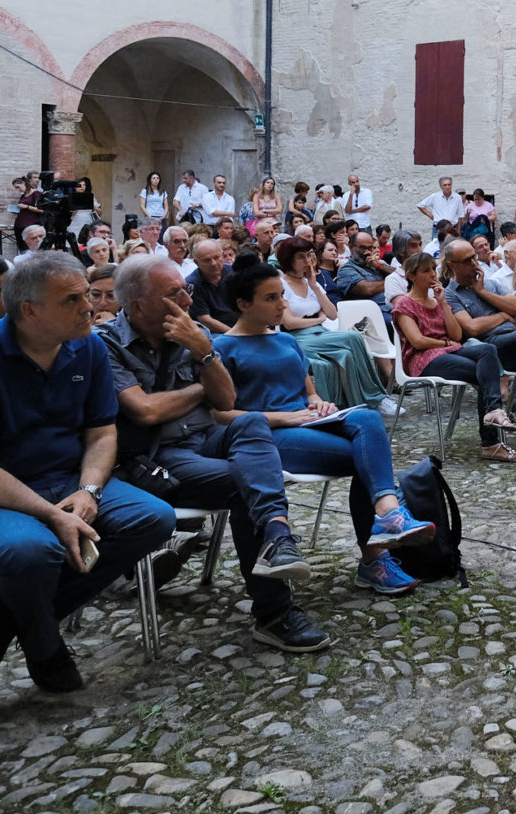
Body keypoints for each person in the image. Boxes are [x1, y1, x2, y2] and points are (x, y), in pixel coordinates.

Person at [0, 253, 175, 693]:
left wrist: (88, 490)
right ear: (30, 311)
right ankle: (44, 644)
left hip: (62, 477)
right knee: (30, 551)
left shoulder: (90, 346)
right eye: (72, 299)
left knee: (153, 518)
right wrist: (53, 514)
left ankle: (13, 614)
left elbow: (101, 435)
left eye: (87, 294)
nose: (90, 307)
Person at [103, 255, 357, 651]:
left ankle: (276, 534)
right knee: (246, 483)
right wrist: (201, 387)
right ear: (138, 305)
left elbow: (227, 398)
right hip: (158, 456)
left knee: (251, 423)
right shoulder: (107, 344)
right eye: (174, 294)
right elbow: (146, 411)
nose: (187, 301)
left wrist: (203, 353)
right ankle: (275, 613)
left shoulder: (191, 337)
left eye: (186, 291)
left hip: (206, 439)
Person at [213, 262, 436, 595]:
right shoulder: (223, 347)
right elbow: (220, 414)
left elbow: (309, 390)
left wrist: (319, 402)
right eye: (271, 298)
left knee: (369, 418)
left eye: (282, 297)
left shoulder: (286, 342)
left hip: (309, 422)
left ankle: (388, 515)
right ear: (244, 305)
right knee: (366, 458)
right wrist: (280, 417)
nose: (282, 305)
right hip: (266, 436)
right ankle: (377, 552)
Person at [392, 252, 516, 460]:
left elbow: (457, 335)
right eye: (425, 271)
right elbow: (417, 341)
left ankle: (494, 412)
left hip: (447, 351)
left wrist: (443, 303)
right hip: (422, 360)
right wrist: (443, 343)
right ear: (411, 276)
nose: (432, 275)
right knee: (485, 374)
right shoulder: (404, 304)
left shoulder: (437, 302)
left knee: (488, 350)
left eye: (433, 269)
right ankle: (491, 442)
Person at [440, 239, 516, 424]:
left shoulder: (489, 284)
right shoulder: (450, 294)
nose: (474, 263)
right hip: (492, 347)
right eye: (467, 261)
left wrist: (481, 292)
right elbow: (472, 328)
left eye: (474, 258)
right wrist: (503, 316)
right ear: (452, 265)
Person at [278, 236, 389, 408]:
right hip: (297, 338)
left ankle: (356, 403)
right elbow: (290, 323)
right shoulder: (281, 284)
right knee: (353, 337)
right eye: (301, 257)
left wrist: (314, 285)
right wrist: (318, 319)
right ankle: (376, 397)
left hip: (319, 334)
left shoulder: (311, 283)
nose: (307, 261)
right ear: (289, 259)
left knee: (346, 354)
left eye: (309, 255)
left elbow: (331, 314)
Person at [188, 239, 237, 332]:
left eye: (216, 257)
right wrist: (235, 333)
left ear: (222, 255)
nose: (213, 263)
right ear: (196, 262)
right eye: (207, 260)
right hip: (215, 333)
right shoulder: (192, 284)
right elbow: (205, 319)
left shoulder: (234, 272)